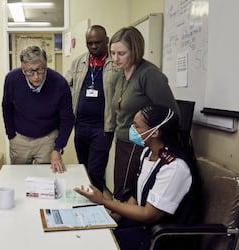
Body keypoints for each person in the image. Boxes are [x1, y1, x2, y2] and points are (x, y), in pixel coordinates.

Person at [74, 105, 201, 250]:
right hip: (141, 226)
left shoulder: (174, 167)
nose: (132, 129)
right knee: (89, 235)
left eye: (136, 126)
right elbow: (137, 194)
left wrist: (103, 201)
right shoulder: (147, 153)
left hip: (161, 238)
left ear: (155, 133)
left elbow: (149, 215)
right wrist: (115, 217)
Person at [109, 26, 180, 201]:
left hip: (143, 145)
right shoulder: (119, 76)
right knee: (120, 190)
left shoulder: (149, 75)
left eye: (121, 53)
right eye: (112, 53)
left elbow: (172, 115)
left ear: (135, 51)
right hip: (124, 141)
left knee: (132, 193)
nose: (115, 59)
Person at [2, 45, 74, 173]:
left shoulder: (60, 84)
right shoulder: (12, 79)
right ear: (23, 69)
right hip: (19, 139)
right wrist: (11, 134)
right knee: (19, 176)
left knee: (45, 178)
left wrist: (58, 148)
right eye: (30, 71)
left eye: (40, 70)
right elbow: (7, 106)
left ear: (46, 65)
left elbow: (67, 118)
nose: (36, 76)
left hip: (47, 139)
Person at [65, 25, 118, 191]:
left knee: (95, 171)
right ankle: (85, 205)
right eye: (90, 43)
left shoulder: (115, 63)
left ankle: (98, 208)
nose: (94, 46)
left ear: (107, 41)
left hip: (102, 127)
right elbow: (65, 85)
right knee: (83, 169)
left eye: (98, 42)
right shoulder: (79, 62)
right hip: (80, 125)